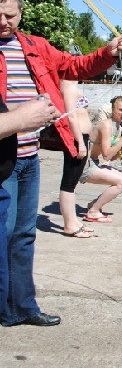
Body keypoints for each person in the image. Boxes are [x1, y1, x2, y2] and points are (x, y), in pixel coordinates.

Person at [0, 0, 122, 327]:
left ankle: (24, 306)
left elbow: (75, 65)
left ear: (20, 13)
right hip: (2, 159)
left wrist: (108, 52)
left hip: (28, 158)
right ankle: (5, 307)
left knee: (24, 233)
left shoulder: (33, 45)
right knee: (2, 234)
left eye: (10, 15)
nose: (3, 21)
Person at [0, 95, 60, 309]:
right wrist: (23, 117)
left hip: (28, 155)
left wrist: (30, 108)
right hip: (9, 166)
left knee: (24, 235)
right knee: (6, 237)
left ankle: (20, 308)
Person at [82, 96, 122, 222]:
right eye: (120, 110)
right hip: (84, 164)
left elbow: (113, 157)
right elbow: (106, 155)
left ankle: (94, 204)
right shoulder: (107, 125)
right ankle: (93, 211)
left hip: (94, 163)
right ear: (112, 109)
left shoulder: (117, 127)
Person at [57, 80, 94, 237]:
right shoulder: (68, 86)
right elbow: (71, 117)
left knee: (72, 183)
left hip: (82, 137)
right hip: (76, 138)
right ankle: (69, 224)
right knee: (69, 182)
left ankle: (73, 220)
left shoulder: (71, 85)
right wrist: (80, 142)